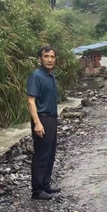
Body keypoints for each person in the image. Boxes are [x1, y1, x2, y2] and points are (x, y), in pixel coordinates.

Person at [27, 46, 62, 200]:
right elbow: (31, 101)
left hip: (52, 119)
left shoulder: (50, 76)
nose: (49, 59)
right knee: (41, 154)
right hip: (42, 118)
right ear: (39, 59)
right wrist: (37, 123)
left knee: (50, 154)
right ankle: (37, 190)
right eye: (46, 56)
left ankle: (45, 184)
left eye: (52, 57)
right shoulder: (36, 76)